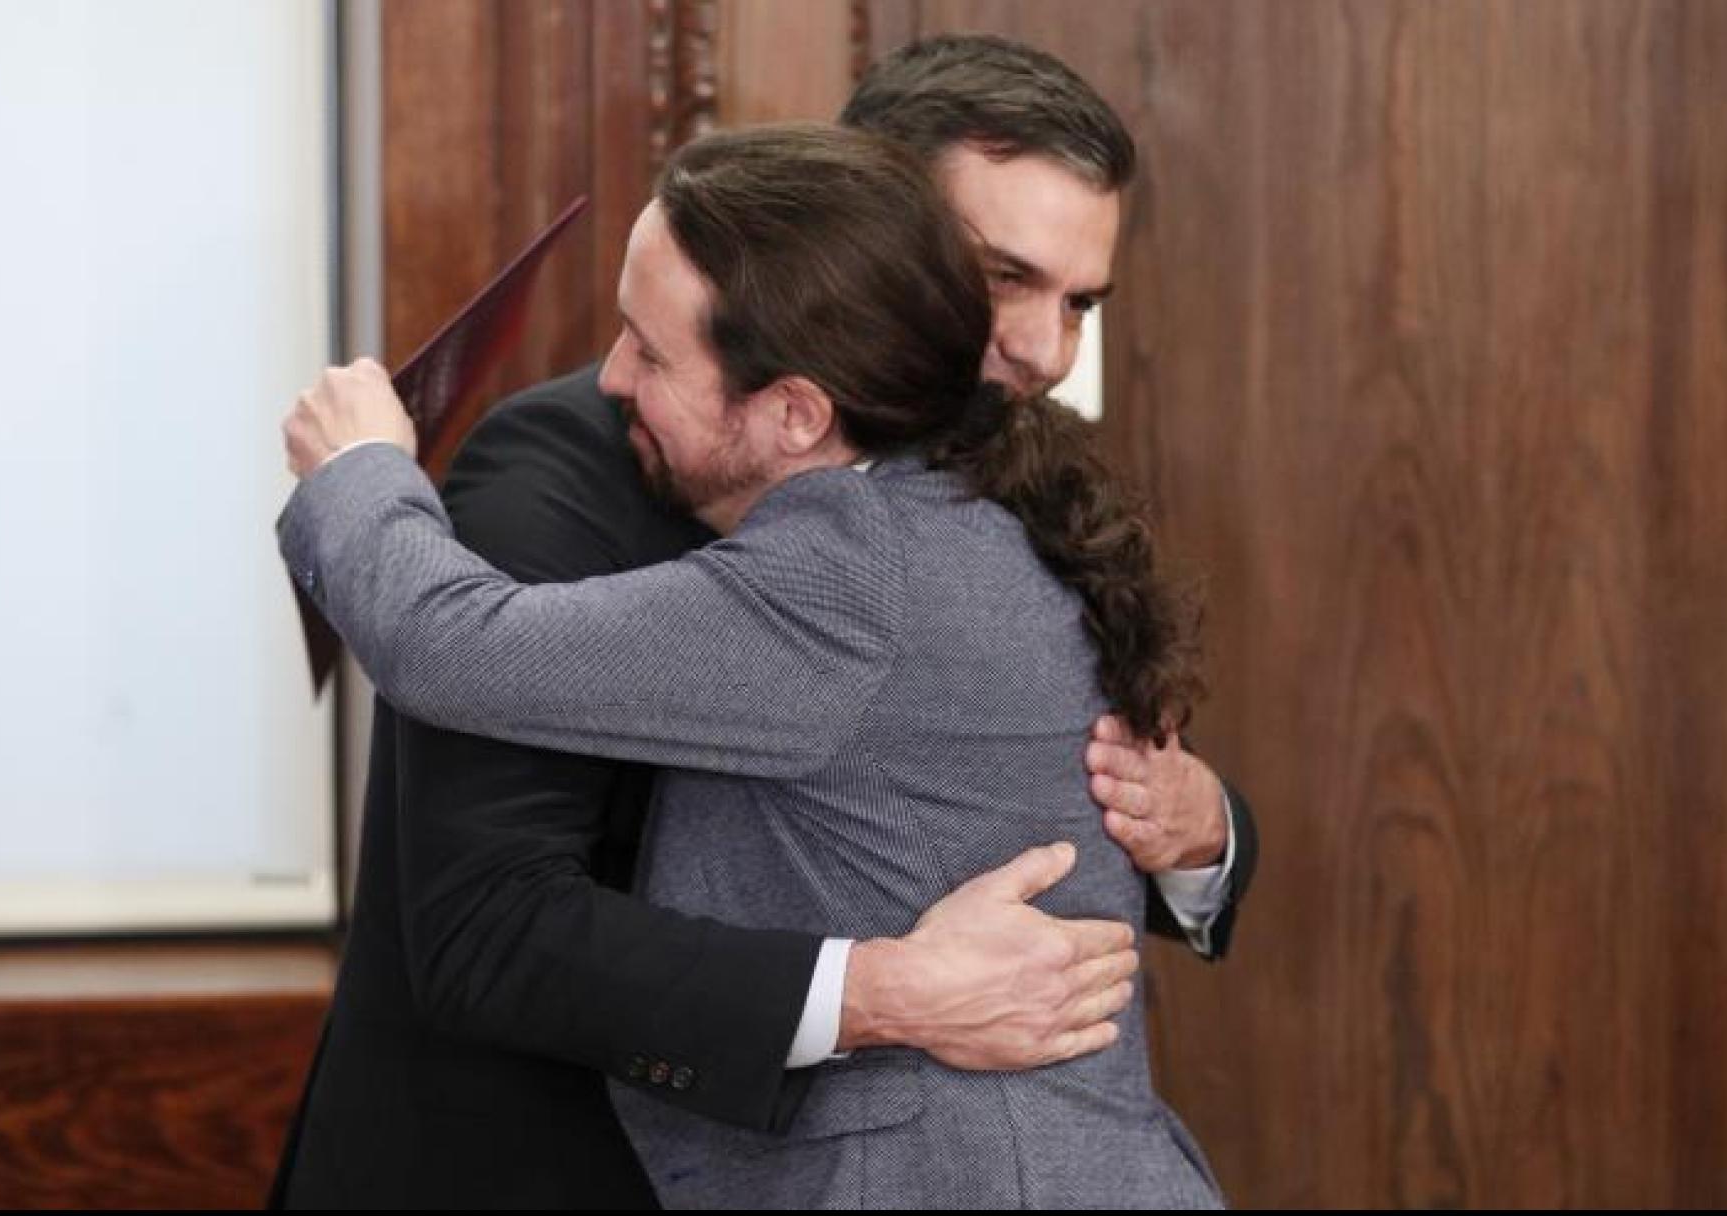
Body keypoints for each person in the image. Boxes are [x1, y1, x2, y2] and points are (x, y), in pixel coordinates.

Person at [271, 33, 1258, 1208]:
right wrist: (881, 989)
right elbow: (491, 927)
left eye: (1079, 302)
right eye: (1002, 277)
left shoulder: (970, 500)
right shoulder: (576, 466)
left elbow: (993, 794)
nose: (1044, 350)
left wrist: (1202, 830)